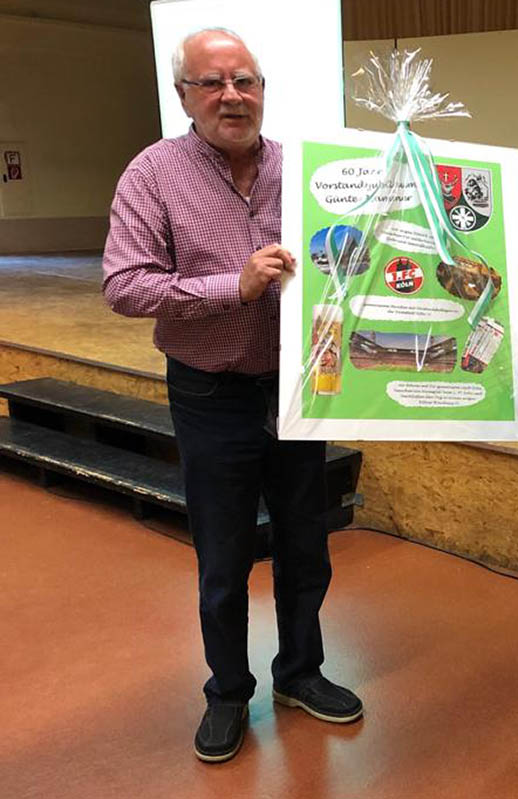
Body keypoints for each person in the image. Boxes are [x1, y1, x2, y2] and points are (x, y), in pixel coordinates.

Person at [102, 28, 362, 764]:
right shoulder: (152, 174)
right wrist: (233, 285)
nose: (231, 96)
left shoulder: (306, 172)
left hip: (299, 387)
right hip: (210, 393)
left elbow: (369, 251)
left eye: (244, 81)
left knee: (306, 545)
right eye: (212, 83)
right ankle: (227, 691)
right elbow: (124, 285)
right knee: (223, 556)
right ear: (183, 95)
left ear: (262, 92)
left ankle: (300, 672)